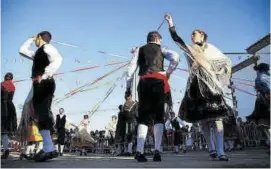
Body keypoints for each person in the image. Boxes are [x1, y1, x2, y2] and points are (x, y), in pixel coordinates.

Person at [165, 14, 233, 161]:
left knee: (217, 119)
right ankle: (212, 149)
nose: (191, 36)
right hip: (196, 86)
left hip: (212, 86)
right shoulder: (190, 49)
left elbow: (226, 62)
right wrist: (171, 24)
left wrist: (219, 72)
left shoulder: (212, 49)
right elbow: (177, 39)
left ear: (202, 35)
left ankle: (221, 151)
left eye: (194, 34)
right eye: (191, 34)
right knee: (203, 121)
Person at [126, 31, 180, 162]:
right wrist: (168, 73)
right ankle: (157, 151)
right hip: (158, 83)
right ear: (157, 39)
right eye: (160, 40)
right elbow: (176, 57)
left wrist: (128, 87)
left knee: (143, 118)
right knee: (158, 117)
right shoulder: (161, 48)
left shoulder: (140, 49)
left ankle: (139, 151)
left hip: (144, 83)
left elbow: (130, 69)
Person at [19, 31, 63, 162]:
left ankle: (49, 148)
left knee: (42, 111)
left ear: (40, 38)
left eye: (36, 38)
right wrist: (30, 40)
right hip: (39, 83)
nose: (35, 41)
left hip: (44, 82)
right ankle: (48, 147)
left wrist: (45, 75)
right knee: (39, 112)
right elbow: (22, 51)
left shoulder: (47, 47)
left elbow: (58, 59)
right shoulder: (38, 53)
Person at [1, 73, 17, 159]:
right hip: (10, 107)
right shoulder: (13, 86)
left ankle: (6, 149)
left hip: (3, 107)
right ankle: (6, 149)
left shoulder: (2, 85)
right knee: (4, 131)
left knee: (2, 130)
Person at [123, 91, 138, 156]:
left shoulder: (135, 103)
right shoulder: (125, 104)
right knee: (127, 136)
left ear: (131, 96)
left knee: (132, 136)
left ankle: (131, 150)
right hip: (127, 122)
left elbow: (137, 114)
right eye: (126, 97)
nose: (127, 98)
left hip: (133, 121)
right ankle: (128, 151)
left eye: (128, 97)